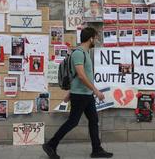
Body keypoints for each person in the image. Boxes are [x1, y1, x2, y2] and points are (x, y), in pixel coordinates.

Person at [42, 27, 113, 159]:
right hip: (81, 95)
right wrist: (96, 91)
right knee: (73, 121)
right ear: (90, 38)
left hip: (85, 94)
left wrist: (70, 93)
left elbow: (75, 76)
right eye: (95, 38)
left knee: (93, 120)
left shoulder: (85, 53)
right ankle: (51, 144)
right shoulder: (79, 53)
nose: (96, 41)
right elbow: (80, 75)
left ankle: (96, 149)